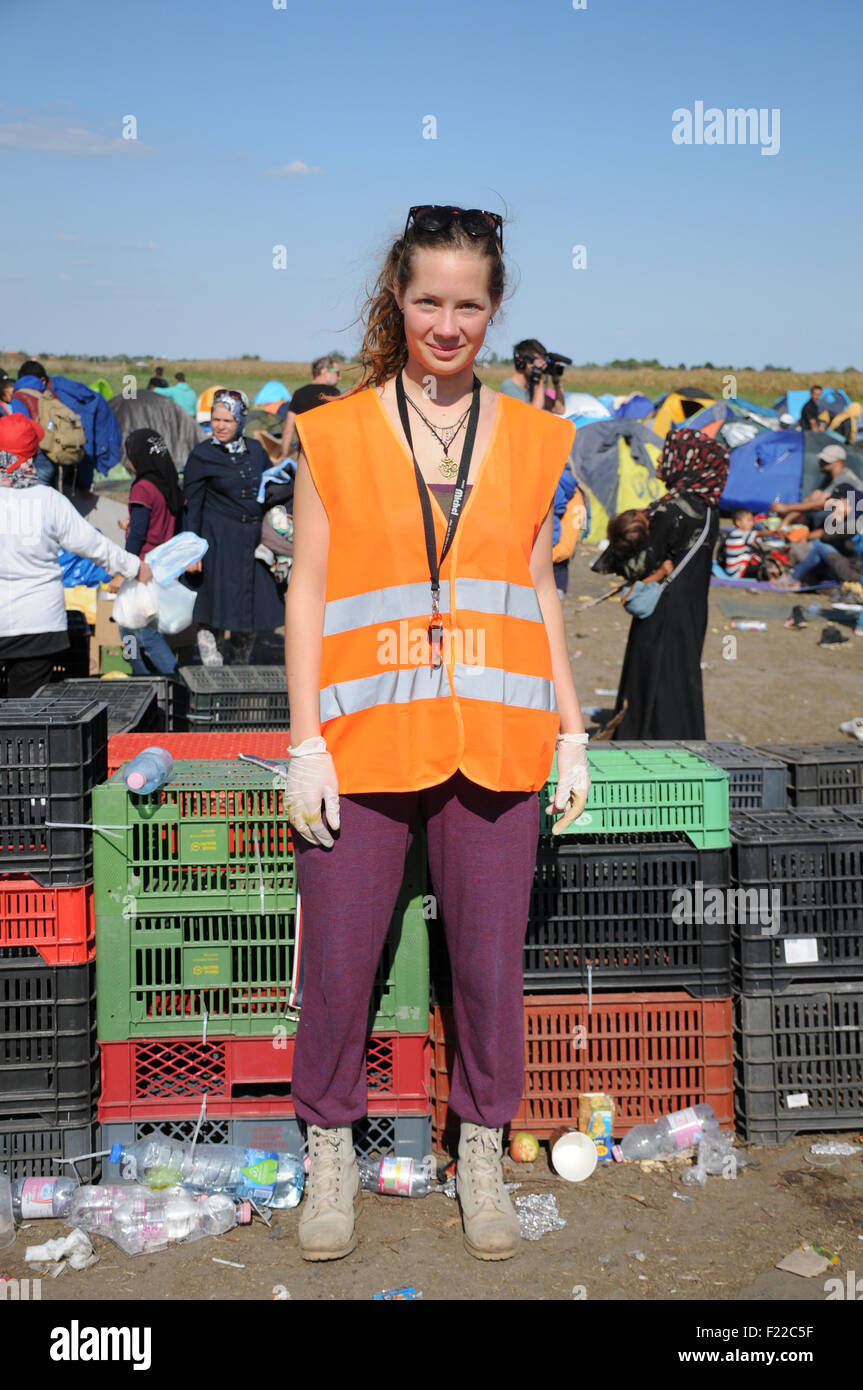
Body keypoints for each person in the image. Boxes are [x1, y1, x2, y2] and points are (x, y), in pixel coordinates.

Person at [284, 201, 588, 1264]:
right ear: (397, 300)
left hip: (499, 740)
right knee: (338, 961)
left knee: (488, 969)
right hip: (363, 737)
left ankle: (480, 1149)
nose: (446, 323)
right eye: (427, 301)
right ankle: (329, 1147)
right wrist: (303, 738)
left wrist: (574, 728)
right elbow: (309, 587)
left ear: (493, 308)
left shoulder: (544, 439)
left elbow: (540, 593)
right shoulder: (329, 428)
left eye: (467, 304)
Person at [0, 414, 151, 698]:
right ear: (32, 455)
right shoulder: (49, 501)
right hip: (38, 624)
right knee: (26, 713)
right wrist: (134, 566)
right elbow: (93, 545)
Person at [607, 428, 729, 740]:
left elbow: (640, 564)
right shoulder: (709, 510)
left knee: (649, 672)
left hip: (663, 605)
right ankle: (681, 738)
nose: (661, 458)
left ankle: (641, 738)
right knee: (680, 673)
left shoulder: (669, 509)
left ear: (687, 462)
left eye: (668, 452)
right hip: (692, 606)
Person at [183, 389, 284, 665]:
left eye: (227, 420)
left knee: (246, 610)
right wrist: (193, 551)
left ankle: (239, 671)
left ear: (240, 420)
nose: (220, 426)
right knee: (215, 605)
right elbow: (193, 506)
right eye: (216, 419)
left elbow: (269, 488)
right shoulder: (203, 455)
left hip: (250, 543)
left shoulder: (255, 451)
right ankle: (213, 677)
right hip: (218, 542)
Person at [111, 429, 186, 675]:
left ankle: (168, 680)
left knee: (140, 631)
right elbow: (159, 522)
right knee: (136, 630)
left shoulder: (143, 488)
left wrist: (123, 572)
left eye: (130, 455)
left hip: (143, 569)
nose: (128, 461)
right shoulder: (169, 484)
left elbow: (138, 535)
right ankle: (151, 682)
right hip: (164, 567)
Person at [780, 485, 863, 590]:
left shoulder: (856, 523)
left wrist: (838, 516)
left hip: (856, 575)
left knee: (819, 545)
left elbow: (826, 537)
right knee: (819, 546)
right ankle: (802, 577)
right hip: (854, 571)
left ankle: (792, 579)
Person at [772, 444, 863, 528]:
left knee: (814, 516)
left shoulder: (845, 478)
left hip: (851, 522)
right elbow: (811, 499)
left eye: (825, 460)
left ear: (838, 462)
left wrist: (786, 508)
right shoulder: (830, 477)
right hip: (839, 517)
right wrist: (786, 516)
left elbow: (820, 504)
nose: (820, 462)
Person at [276, 358, 342, 461]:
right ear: (325, 371)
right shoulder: (335, 395)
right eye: (337, 372)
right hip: (330, 457)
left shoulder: (299, 393)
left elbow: (289, 429)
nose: (339, 377)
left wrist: (284, 456)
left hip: (304, 457)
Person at [498, 339, 548, 407]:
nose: (541, 367)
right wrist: (539, 379)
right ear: (522, 361)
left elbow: (559, 409)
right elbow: (532, 416)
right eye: (538, 361)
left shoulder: (530, 387)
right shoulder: (509, 389)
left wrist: (556, 381)